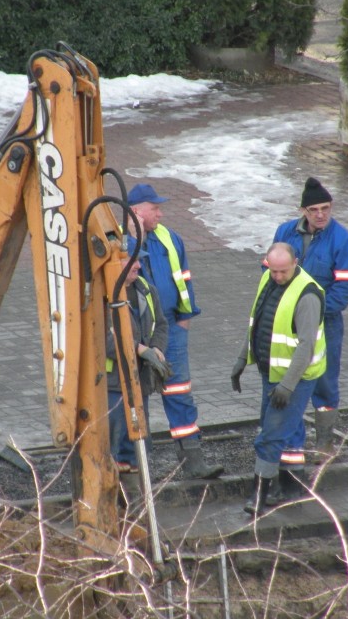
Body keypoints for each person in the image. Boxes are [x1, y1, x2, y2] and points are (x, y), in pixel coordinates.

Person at [127, 183, 224, 479]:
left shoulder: (171, 238)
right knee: (135, 397)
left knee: (179, 391)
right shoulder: (118, 240)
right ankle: (137, 466)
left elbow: (185, 279)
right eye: (154, 208)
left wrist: (184, 320)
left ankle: (192, 460)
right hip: (137, 332)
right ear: (135, 211)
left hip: (172, 328)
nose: (160, 212)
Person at [231, 243, 326, 515]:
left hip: (294, 379)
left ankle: (258, 495)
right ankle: (292, 484)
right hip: (271, 372)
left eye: (283, 271)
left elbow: (306, 346)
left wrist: (287, 385)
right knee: (284, 429)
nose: (277, 277)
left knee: (270, 436)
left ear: (296, 263)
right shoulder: (267, 278)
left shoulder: (307, 296)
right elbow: (257, 324)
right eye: (273, 271)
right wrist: (242, 360)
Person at [272, 177, 348, 460]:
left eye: (326, 208)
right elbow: (271, 273)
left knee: (324, 381)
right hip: (287, 324)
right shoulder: (285, 233)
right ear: (303, 211)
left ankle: (324, 442)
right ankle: (289, 440)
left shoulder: (342, 240)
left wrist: (314, 314)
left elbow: (345, 287)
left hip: (326, 324)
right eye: (314, 210)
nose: (321, 214)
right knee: (289, 379)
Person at [106, 245, 169, 504]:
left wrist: (155, 347)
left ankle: (136, 498)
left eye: (139, 261)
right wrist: (139, 350)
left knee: (140, 437)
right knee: (120, 440)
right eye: (131, 261)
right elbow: (102, 342)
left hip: (139, 381)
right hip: (114, 384)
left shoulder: (145, 289)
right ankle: (123, 498)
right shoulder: (104, 297)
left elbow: (161, 324)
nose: (138, 266)